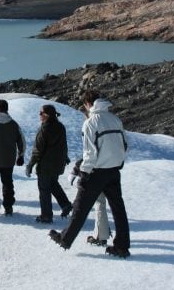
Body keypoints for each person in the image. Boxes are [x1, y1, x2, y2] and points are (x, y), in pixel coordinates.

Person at [49, 89, 131, 258]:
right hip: (114, 170)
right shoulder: (115, 119)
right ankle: (122, 247)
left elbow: (90, 153)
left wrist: (84, 171)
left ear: (88, 104)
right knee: (118, 209)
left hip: (96, 172)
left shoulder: (91, 123)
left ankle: (65, 239)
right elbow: (124, 144)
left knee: (80, 207)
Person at [25, 104, 72, 224]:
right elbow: (63, 145)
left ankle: (46, 216)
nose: (39, 115)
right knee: (53, 184)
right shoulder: (60, 127)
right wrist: (65, 157)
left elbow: (38, 150)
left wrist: (30, 165)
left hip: (46, 165)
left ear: (46, 115)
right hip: (57, 164)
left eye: (41, 113)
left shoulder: (44, 128)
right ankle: (65, 204)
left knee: (44, 190)